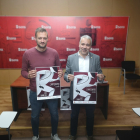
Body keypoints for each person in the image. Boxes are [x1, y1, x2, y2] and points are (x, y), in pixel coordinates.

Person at [21, 27, 63, 140]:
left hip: (51, 90)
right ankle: (35, 135)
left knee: (54, 114)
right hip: (35, 90)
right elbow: (23, 71)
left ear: (48, 38)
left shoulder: (54, 53)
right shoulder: (27, 53)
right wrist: (28, 75)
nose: (42, 40)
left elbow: (59, 69)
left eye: (44, 38)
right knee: (34, 115)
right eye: (40, 38)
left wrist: (60, 73)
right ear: (35, 38)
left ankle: (54, 134)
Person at [64, 35, 105, 140]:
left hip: (90, 93)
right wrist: (68, 77)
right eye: (83, 44)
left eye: (87, 45)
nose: (84, 47)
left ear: (90, 46)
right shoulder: (71, 58)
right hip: (76, 92)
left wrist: (101, 77)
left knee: (90, 115)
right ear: (79, 44)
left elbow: (100, 74)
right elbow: (65, 75)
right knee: (74, 115)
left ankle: (90, 134)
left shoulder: (96, 58)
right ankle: (73, 134)